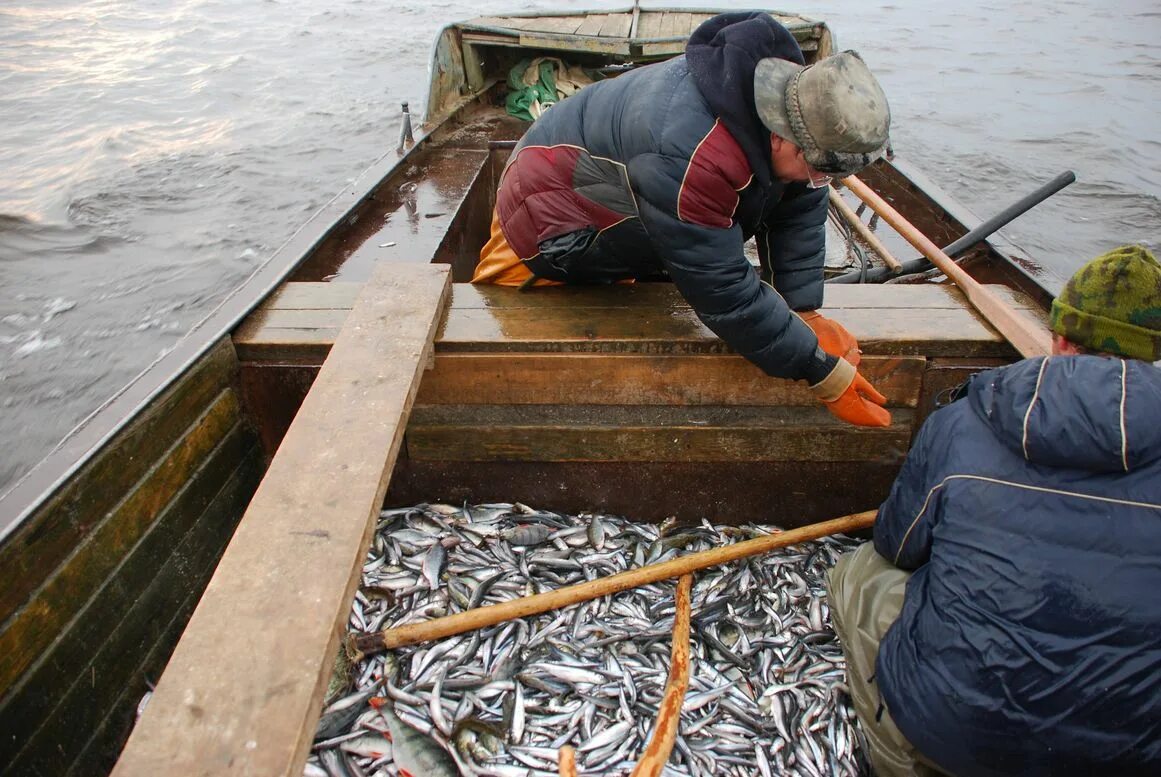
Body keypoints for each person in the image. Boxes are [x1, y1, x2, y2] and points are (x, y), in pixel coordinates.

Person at [827, 244, 1161, 776]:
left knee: (861, 572)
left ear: (1058, 336)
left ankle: (893, 756)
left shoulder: (967, 419)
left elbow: (896, 544)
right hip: (1129, 758)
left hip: (951, 739)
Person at [472, 12, 894, 428]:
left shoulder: (789, 103)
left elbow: (799, 204)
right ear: (782, 136)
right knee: (683, 250)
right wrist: (823, 373)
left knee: (731, 215)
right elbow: (724, 293)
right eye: (821, 170)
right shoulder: (693, 156)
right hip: (545, 216)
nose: (821, 182)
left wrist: (803, 311)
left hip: (619, 176)